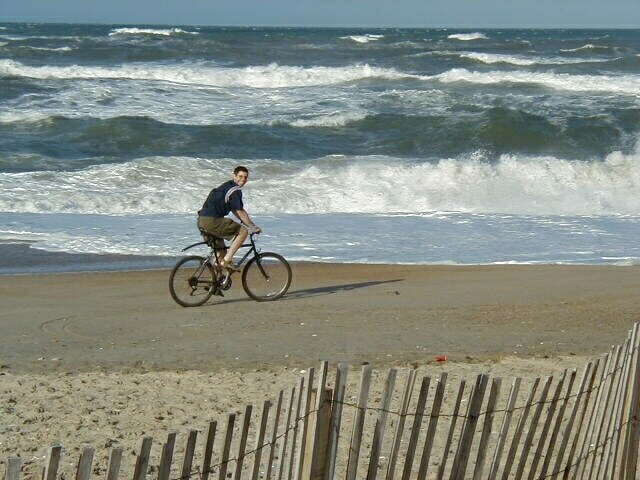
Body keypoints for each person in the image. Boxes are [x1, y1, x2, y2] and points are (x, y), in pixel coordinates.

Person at [197, 166, 262, 272]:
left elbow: (235, 211)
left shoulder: (225, 187)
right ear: (234, 176)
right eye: (240, 176)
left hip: (201, 221)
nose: (243, 179)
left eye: (245, 177)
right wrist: (252, 226)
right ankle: (227, 260)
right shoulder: (234, 190)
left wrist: (247, 222)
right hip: (212, 221)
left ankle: (216, 283)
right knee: (243, 231)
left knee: (220, 252)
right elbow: (240, 212)